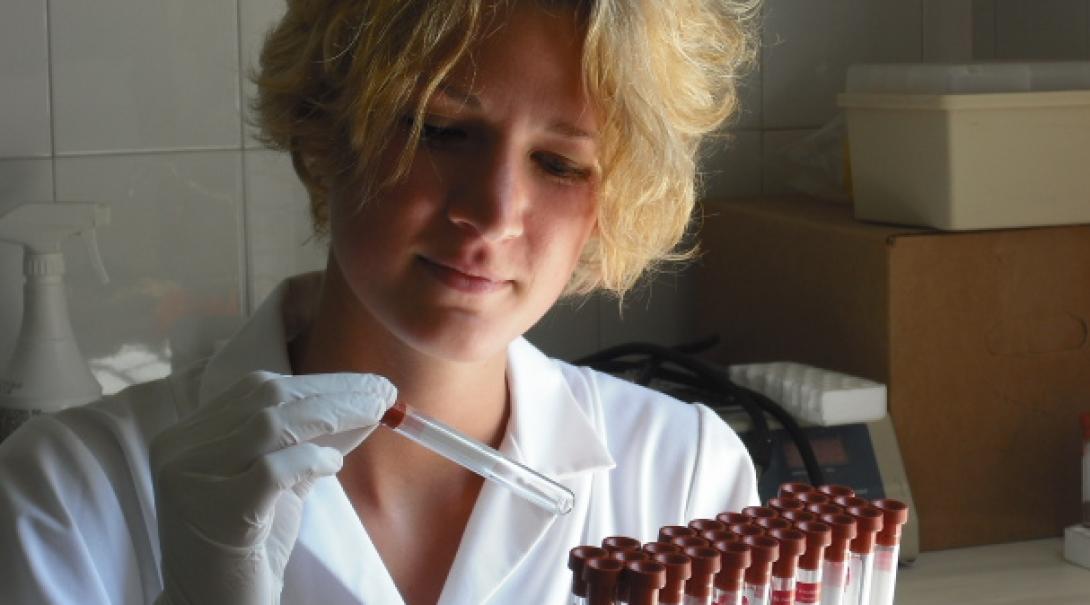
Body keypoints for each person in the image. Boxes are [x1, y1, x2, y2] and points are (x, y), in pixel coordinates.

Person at [0, 0, 762, 603]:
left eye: (559, 163)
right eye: (441, 128)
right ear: (328, 129)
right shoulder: (69, 488)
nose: (494, 213)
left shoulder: (686, 478)